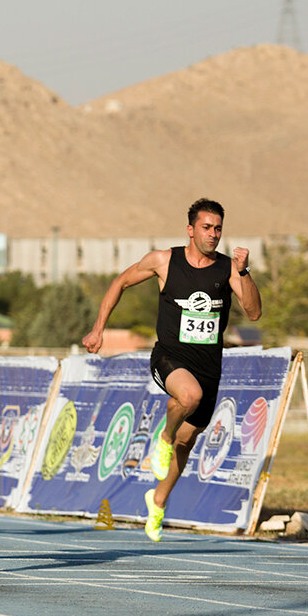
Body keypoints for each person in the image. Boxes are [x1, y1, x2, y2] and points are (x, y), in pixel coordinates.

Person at [82, 198, 261, 541]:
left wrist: (243, 271)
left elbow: (253, 312)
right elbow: (120, 282)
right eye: (207, 228)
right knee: (187, 397)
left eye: (218, 228)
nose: (213, 234)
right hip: (168, 357)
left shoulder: (227, 269)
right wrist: (98, 327)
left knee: (188, 439)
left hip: (209, 366)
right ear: (191, 229)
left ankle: (158, 500)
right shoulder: (164, 261)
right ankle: (162, 438)